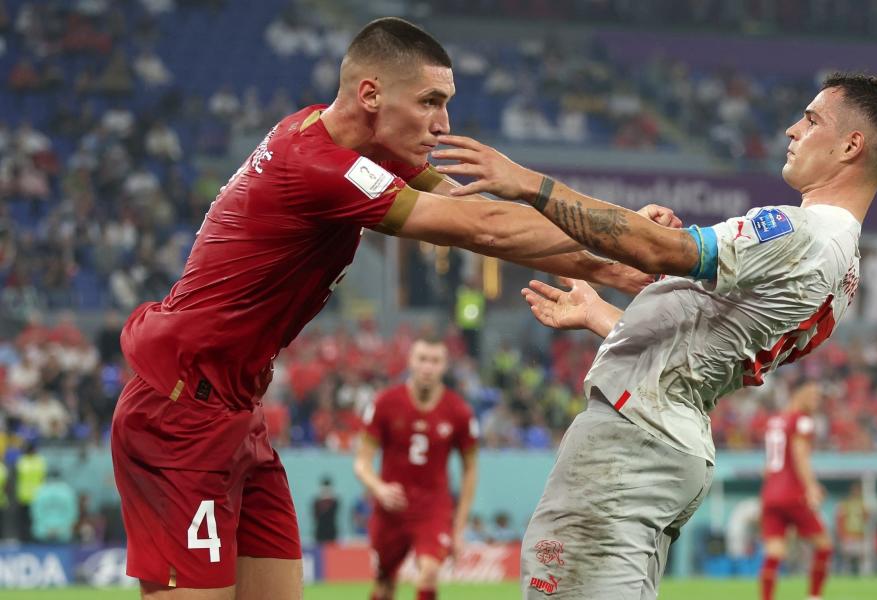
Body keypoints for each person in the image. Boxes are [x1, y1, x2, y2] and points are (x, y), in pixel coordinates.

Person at [110, 17, 671, 600]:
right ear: (370, 94)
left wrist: (618, 236)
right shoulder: (319, 167)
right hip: (180, 410)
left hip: (235, 410)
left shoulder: (344, 143)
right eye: (430, 101)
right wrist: (619, 257)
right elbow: (482, 228)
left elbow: (461, 202)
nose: (444, 124)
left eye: (446, 103)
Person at [433, 72, 877, 598]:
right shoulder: (844, 272)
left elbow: (659, 252)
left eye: (812, 119)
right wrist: (601, 316)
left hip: (632, 440)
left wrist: (529, 183)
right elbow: (702, 344)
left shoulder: (803, 232)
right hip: (669, 435)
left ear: (851, 145)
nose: (792, 129)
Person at [354, 336, 478, 600]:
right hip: (391, 509)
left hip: (433, 509)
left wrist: (459, 526)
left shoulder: (459, 412)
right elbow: (361, 462)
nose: (427, 367)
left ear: (444, 365)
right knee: (384, 585)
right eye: (422, 359)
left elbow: (470, 469)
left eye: (435, 361)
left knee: (429, 572)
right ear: (411, 361)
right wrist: (379, 488)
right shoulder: (385, 403)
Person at [758, 382, 831, 600]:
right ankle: (814, 597)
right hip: (793, 493)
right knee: (824, 545)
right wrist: (812, 487)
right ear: (800, 393)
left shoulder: (775, 421)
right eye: (814, 396)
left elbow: (769, 465)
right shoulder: (803, 421)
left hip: (770, 494)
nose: (817, 402)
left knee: (775, 552)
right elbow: (800, 456)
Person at [835, 481, 870, 575]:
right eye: (855, 490)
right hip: (848, 533)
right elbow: (839, 518)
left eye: (858, 490)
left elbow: (867, 518)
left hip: (860, 533)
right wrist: (842, 534)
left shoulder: (863, 503)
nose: (856, 492)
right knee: (848, 556)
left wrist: (866, 513)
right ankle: (847, 573)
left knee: (861, 555)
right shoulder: (845, 503)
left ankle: (862, 574)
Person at [312, 477, 339, 544]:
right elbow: (316, 516)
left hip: (331, 532)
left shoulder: (335, 501)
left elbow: (333, 514)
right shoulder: (317, 502)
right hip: (320, 532)